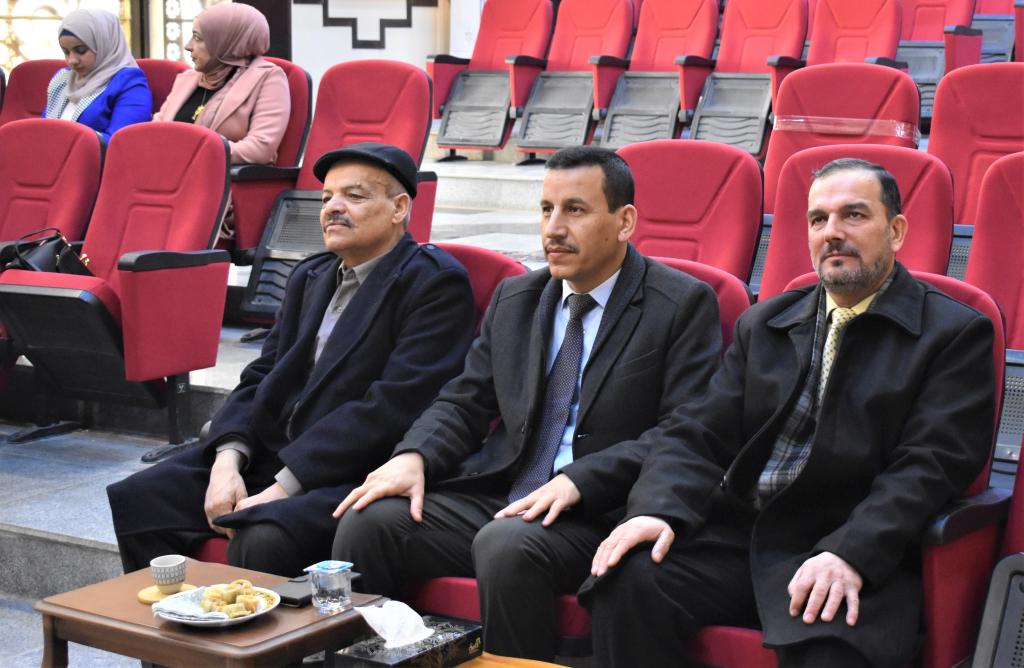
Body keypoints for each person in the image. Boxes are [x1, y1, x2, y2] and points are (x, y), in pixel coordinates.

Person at [583, 158, 996, 668]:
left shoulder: (954, 333)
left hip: (853, 543)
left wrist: (850, 551)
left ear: (896, 231)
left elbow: (929, 465)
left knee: (830, 652)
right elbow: (697, 432)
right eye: (818, 219)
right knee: (629, 580)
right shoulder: (766, 323)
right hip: (744, 536)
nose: (832, 233)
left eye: (854, 215)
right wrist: (657, 508)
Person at [332, 146, 723, 661]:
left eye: (575, 210)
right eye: (546, 209)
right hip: (508, 492)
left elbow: (683, 430)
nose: (554, 228)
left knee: (508, 543)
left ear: (624, 221)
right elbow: (466, 400)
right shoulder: (517, 298)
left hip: (602, 510)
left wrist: (582, 479)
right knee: (368, 522)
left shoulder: (680, 303)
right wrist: (415, 455)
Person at [107, 142, 476, 577]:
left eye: (354, 196)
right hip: (269, 452)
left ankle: (247, 624)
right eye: (327, 197)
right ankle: (174, 620)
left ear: (399, 208)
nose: (333, 208)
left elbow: (390, 409)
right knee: (140, 498)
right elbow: (261, 375)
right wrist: (228, 460)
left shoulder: (433, 283)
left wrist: (282, 488)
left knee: (262, 534)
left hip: (348, 470)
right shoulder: (311, 274)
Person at [154, 2, 289, 166]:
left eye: (197, 38)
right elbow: (155, 132)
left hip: (219, 177)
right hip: (166, 172)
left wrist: (192, 154)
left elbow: (260, 148)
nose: (188, 46)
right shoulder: (186, 79)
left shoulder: (268, 78)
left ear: (226, 42)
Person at [43, 8, 152, 142]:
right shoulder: (63, 79)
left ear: (104, 44)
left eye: (81, 50)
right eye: (66, 52)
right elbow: (41, 129)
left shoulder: (129, 84)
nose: (72, 60)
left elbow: (120, 143)